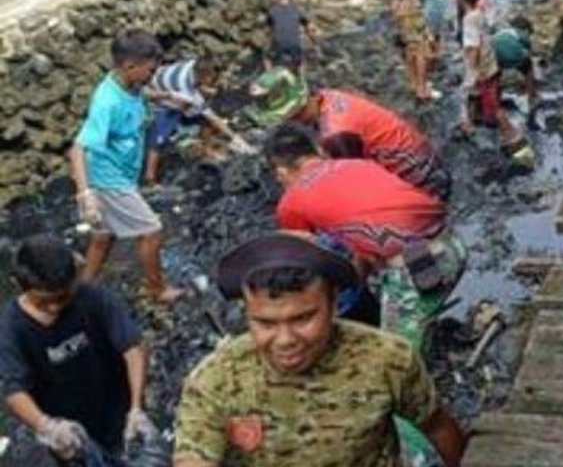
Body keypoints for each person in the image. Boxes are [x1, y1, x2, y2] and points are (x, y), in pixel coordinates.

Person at [172, 233, 467, 467]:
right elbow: (194, 457)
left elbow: (437, 426)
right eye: (265, 323)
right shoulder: (216, 380)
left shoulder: (386, 358)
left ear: (333, 305)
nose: (285, 339)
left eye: (303, 318)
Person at [264, 124, 463, 346]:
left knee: (396, 352)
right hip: (453, 242)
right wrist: (357, 280)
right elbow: (369, 233)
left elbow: (303, 261)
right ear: (317, 151)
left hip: (422, 265)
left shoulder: (292, 202)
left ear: (281, 172)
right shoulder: (357, 164)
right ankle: (426, 329)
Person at [0, 235, 156, 464]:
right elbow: (13, 389)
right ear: (20, 286)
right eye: (43, 302)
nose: (54, 308)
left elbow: (132, 346)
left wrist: (136, 408)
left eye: (62, 298)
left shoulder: (93, 298)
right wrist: (46, 426)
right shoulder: (11, 328)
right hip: (69, 434)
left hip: (118, 412)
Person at [69, 29, 183, 304]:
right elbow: (77, 149)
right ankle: (157, 290)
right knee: (151, 230)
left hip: (121, 173)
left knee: (103, 238)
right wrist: (86, 197)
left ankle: (81, 290)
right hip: (108, 180)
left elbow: (141, 94)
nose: (152, 76)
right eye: (150, 71)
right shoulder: (106, 102)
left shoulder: (130, 84)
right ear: (129, 66)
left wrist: (166, 97)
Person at [250, 68, 452, 200]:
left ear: (291, 113)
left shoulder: (336, 133)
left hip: (421, 183)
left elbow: (354, 184)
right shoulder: (328, 97)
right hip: (425, 162)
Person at [144, 55, 255, 184]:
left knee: (204, 119)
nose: (216, 81)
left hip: (174, 89)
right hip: (160, 98)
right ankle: (149, 176)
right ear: (204, 75)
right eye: (213, 78)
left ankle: (206, 150)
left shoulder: (195, 64)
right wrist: (236, 139)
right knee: (160, 138)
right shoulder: (186, 88)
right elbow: (211, 116)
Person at [459, 0, 534, 166]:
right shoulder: (479, 13)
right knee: (479, 96)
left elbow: (472, 48)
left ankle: (516, 140)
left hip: (481, 68)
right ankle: (470, 123)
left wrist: (471, 73)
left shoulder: (469, 19)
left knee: (492, 105)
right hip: (490, 63)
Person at [265, 0, 318, 74]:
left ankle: (268, 76)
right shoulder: (297, 10)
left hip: (279, 43)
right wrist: (314, 42)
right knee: (301, 61)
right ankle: (301, 78)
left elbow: (269, 29)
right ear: (290, 0)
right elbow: (310, 27)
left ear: (278, 0)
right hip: (294, 44)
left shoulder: (272, 11)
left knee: (267, 58)